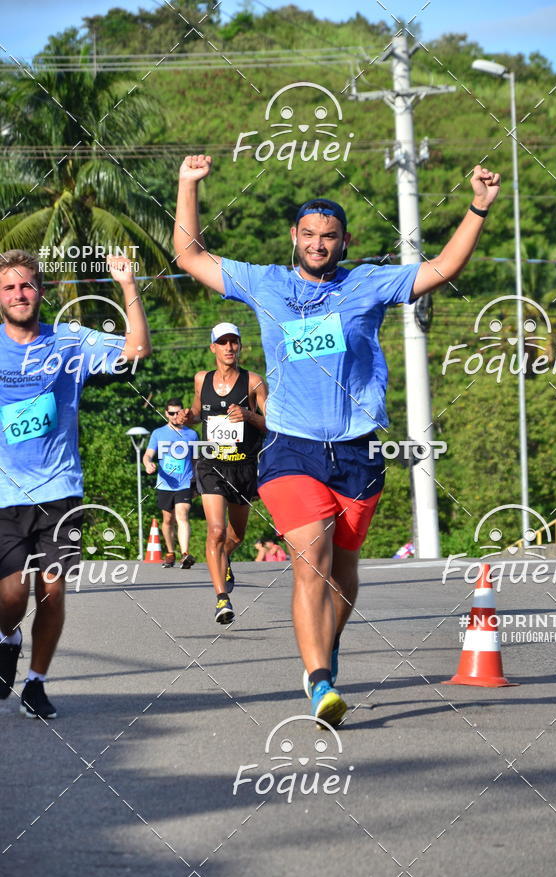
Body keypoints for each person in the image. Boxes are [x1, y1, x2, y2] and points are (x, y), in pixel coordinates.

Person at [174, 154, 501, 726]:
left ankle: (325, 647)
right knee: (312, 562)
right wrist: (187, 185)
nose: (318, 244)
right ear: (294, 237)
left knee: (344, 573)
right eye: (308, 234)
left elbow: (444, 268)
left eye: (329, 236)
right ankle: (319, 681)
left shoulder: (369, 283)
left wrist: (477, 207)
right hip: (291, 448)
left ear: (344, 240)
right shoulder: (266, 283)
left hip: (357, 450)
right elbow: (190, 255)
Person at [0, 251, 151, 718]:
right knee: (10, 596)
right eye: (9, 288)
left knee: (52, 590)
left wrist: (127, 286)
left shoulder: (69, 342)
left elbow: (134, 355)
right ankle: (7, 638)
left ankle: (37, 684)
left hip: (59, 489)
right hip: (4, 492)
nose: (19, 295)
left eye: (27, 286)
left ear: (42, 293)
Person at [176, 323, 267, 624]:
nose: (229, 347)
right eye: (222, 342)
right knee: (215, 530)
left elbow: (271, 424)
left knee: (236, 535)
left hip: (243, 465)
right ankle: (221, 600)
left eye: (234, 342)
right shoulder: (202, 379)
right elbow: (198, 412)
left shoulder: (253, 381)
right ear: (213, 347)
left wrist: (249, 415)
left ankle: (224, 557)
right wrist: (189, 418)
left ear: (240, 346)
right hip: (212, 463)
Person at [143, 398, 197, 569]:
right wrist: (148, 464)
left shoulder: (192, 434)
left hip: (185, 483)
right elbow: (147, 455)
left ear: (183, 412)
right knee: (167, 520)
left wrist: (198, 481)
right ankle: (170, 552)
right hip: (165, 484)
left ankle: (185, 553)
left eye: (178, 412)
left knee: (182, 515)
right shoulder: (158, 433)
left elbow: (197, 460)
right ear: (166, 413)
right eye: (171, 413)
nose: (175, 416)